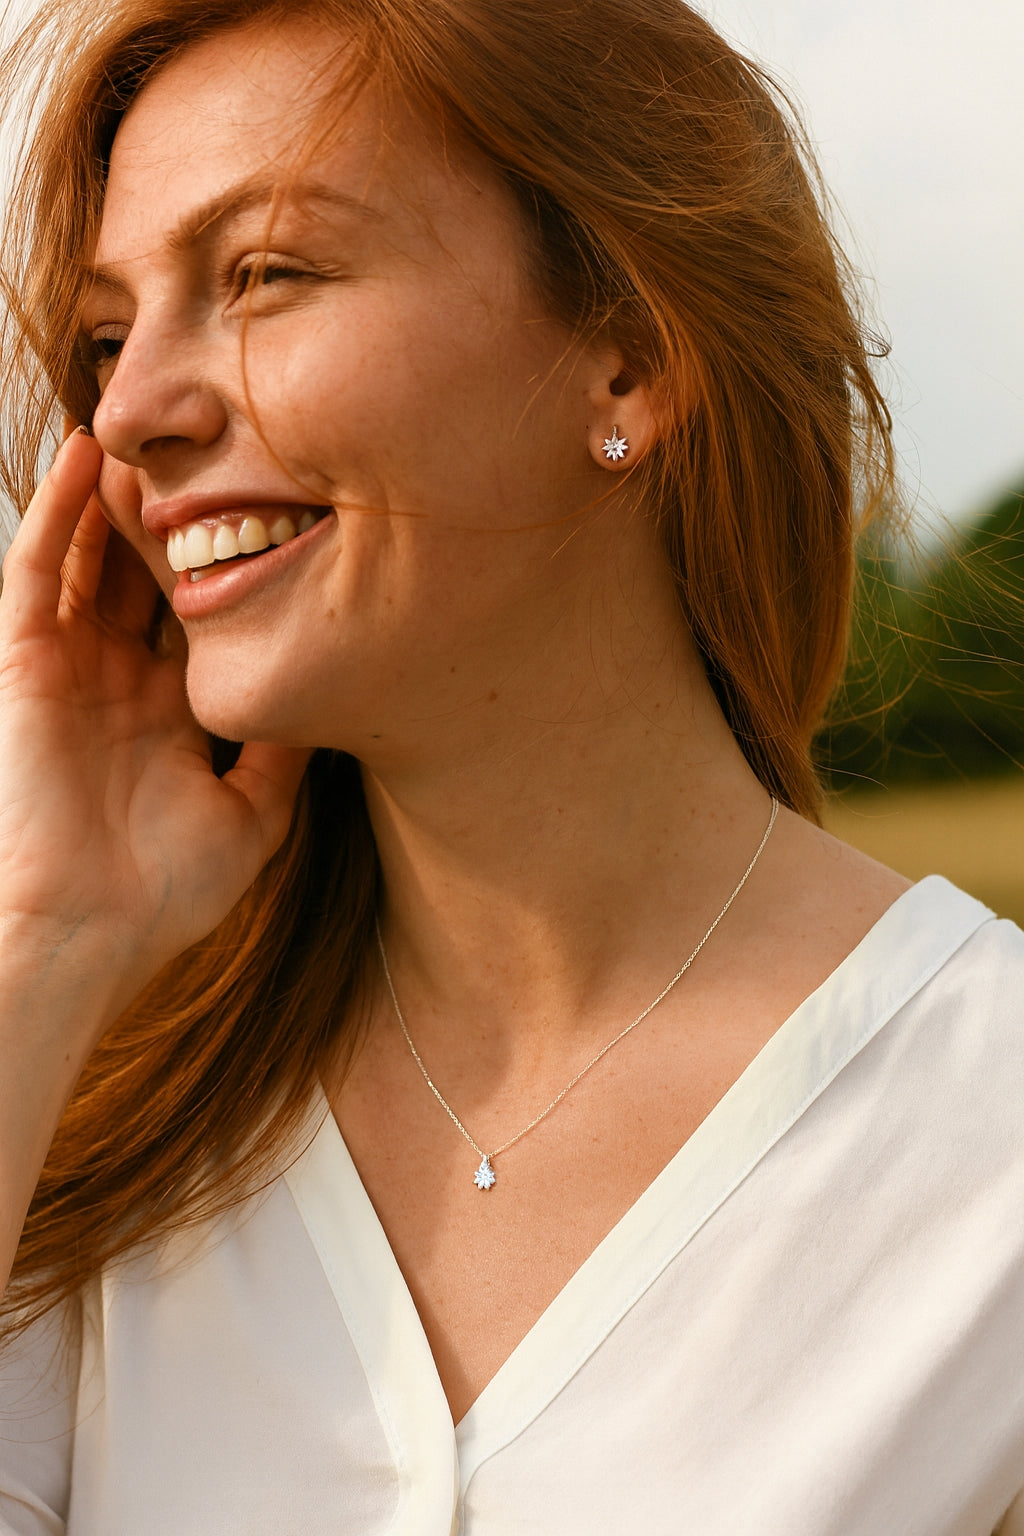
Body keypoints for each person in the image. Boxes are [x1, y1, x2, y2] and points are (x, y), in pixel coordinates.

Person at [0, 0, 1022, 1530]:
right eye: (104, 335)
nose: (133, 411)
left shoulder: (987, 1148)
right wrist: (47, 942)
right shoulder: (81, 1137)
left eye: (265, 274)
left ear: (629, 356)